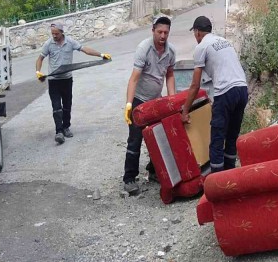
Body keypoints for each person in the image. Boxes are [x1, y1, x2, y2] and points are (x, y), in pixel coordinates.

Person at [181, 16, 248, 174]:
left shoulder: (202, 47)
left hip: (226, 92)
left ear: (197, 32)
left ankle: (218, 183)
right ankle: (231, 176)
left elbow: (195, 85)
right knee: (231, 136)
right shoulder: (224, 42)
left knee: (217, 139)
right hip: (242, 89)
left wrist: (185, 111)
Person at [123, 15, 176, 195]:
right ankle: (129, 178)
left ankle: (153, 171)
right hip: (139, 100)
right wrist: (129, 105)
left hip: (156, 100)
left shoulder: (171, 52)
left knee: (160, 136)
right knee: (135, 139)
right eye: (160, 32)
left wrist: (172, 100)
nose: (163, 35)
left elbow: (169, 75)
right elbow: (134, 78)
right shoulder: (143, 49)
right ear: (153, 30)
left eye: (166, 32)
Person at [36, 23, 111, 145]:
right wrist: (38, 72)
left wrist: (101, 55)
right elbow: (40, 58)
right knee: (56, 108)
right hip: (54, 80)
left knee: (67, 105)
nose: (54, 36)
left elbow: (85, 49)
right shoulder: (48, 44)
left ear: (62, 32)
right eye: (52, 33)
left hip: (66, 79)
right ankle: (59, 132)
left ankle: (66, 127)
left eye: (56, 33)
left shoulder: (70, 42)